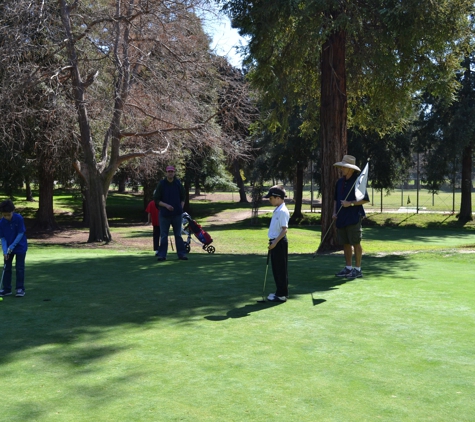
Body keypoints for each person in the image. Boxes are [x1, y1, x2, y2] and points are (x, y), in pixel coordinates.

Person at [333, 155, 370, 279]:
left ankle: (358, 269)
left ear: (351, 169)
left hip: (354, 216)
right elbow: (335, 200)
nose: (342, 169)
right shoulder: (339, 182)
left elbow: (365, 200)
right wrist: (334, 212)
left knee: (355, 243)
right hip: (341, 217)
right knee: (345, 243)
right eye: (342, 166)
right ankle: (348, 268)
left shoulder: (358, 182)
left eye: (345, 167)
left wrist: (351, 203)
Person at [153, 165, 188, 261]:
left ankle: (181, 254)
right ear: (166, 172)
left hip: (177, 214)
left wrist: (181, 207)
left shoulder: (178, 183)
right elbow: (156, 199)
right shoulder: (162, 184)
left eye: (172, 171)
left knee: (178, 235)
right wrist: (166, 206)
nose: (170, 173)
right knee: (164, 235)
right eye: (169, 171)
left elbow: (183, 196)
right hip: (164, 214)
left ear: (174, 172)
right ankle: (162, 255)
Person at [264, 186, 290, 302]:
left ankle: (281, 294)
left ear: (278, 198)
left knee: (280, 269)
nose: (270, 200)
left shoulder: (283, 211)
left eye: (271, 198)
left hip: (279, 242)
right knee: (276, 269)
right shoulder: (278, 209)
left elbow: (284, 230)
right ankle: (279, 292)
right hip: (275, 242)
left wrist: (274, 242)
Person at [0, 199, 28, 297]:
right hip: (8, 248)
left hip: (20, 246)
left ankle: (20, 289)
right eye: (4, 215)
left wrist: (12, 246)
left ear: (13, 211)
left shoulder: (19, 218)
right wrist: (4, 250)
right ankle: (7, 289)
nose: (6, 217)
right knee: (7, 268)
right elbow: (2, 238)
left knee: (19, 268)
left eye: (8, 214)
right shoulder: (2, 222)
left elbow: (21, 233)